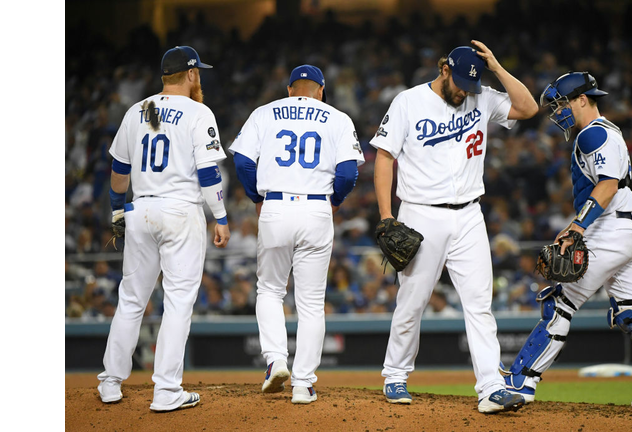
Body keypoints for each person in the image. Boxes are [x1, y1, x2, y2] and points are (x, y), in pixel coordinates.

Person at [500, 72, 632, 412]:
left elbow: (607, 184)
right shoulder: (607, 131)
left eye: (561, 104)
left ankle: (521, 382)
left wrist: (577, 227)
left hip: (609, 230)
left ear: (582, 99)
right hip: (626, 230)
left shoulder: (592, 134)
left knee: (559, 302)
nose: (558, 112)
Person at [370, 41, 538, 414]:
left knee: (480, 303)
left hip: (469, 214)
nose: (465, 90)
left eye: (470, 84)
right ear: (444, 69)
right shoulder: (408, 101)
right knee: (412, 302)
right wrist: (386, 215)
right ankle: (395, 374)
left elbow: (529, 107)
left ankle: (491, 386)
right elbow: (384, 157)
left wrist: (495, 66)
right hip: (420, 213)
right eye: (460, 81)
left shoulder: (481, 95)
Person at [97, 46, 231, 412]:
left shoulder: (135, 110)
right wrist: (219, 215)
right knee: (177, 302)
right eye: (197, 71)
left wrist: (116, 211)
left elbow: (119, 171)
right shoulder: (198, 111)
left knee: (131, 299)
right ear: (190, 74)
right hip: (180, 210)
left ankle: (110, 381)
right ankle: (167, 390)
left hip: (139, 208)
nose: (199, 76)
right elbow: (207, 173)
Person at [228, 64, 364, 404]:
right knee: (311, 304)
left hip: (275, 206)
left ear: (290, 89)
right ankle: (303, 384)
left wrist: (257, 196)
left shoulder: (264, 112)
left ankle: (275, 360)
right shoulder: (337, 117)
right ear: (320, 90)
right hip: (316, 208)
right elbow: (348, 173)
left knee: (270, 290)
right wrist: (335, 200)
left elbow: (243, 162)